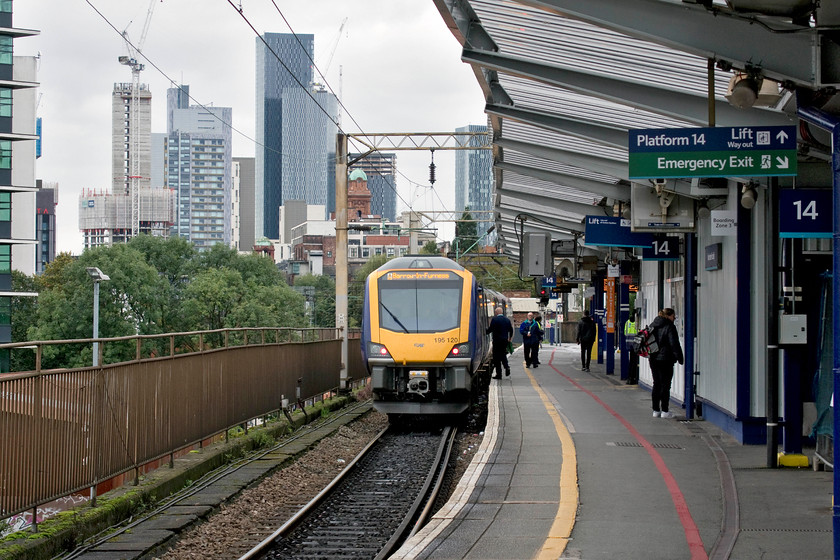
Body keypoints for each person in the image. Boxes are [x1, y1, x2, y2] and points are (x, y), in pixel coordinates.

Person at [648, 308, 684, 418]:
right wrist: (680, 358)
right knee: (665, 385)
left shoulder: (653, 324)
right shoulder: (670, 326)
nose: (674, 318)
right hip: (666, 359)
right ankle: (664, 411)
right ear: (668, 316)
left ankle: (655, 410)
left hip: (653, 358)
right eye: (673, 316)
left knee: (656, 384)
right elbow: (674, 344)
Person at [486, 307, 513, 379]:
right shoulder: (507, 320)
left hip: (497, 340)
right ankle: (506, 367)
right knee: (503, 354)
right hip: (504, 340)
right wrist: (509, 338)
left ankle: (499, 374)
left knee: (496, 357)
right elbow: (511, 329)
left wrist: (485, 332)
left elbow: (491, 329)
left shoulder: (494, 319)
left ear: (496, 312)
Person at [624, 310, 639, 385]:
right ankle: (633, 378)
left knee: (631, 362)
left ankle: (630, 378)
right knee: (635, 362)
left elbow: (625, 333)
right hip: (636, 345)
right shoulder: (637, 323)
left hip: (629, 344)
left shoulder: (627, 322)